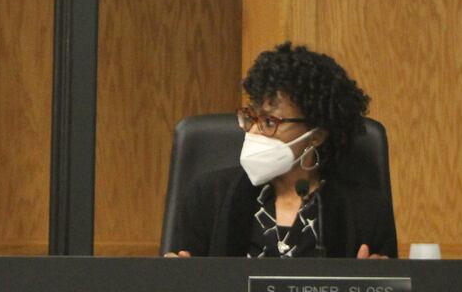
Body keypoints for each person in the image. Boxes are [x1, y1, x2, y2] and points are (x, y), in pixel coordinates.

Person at [166, 42, 396, 259]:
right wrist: (177, 278)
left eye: (269, 122)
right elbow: (181, 291)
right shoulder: (207, 196)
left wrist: (379, 284)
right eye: (251, 117)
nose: (254, 131)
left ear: (316, 135)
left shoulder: (367, 211)